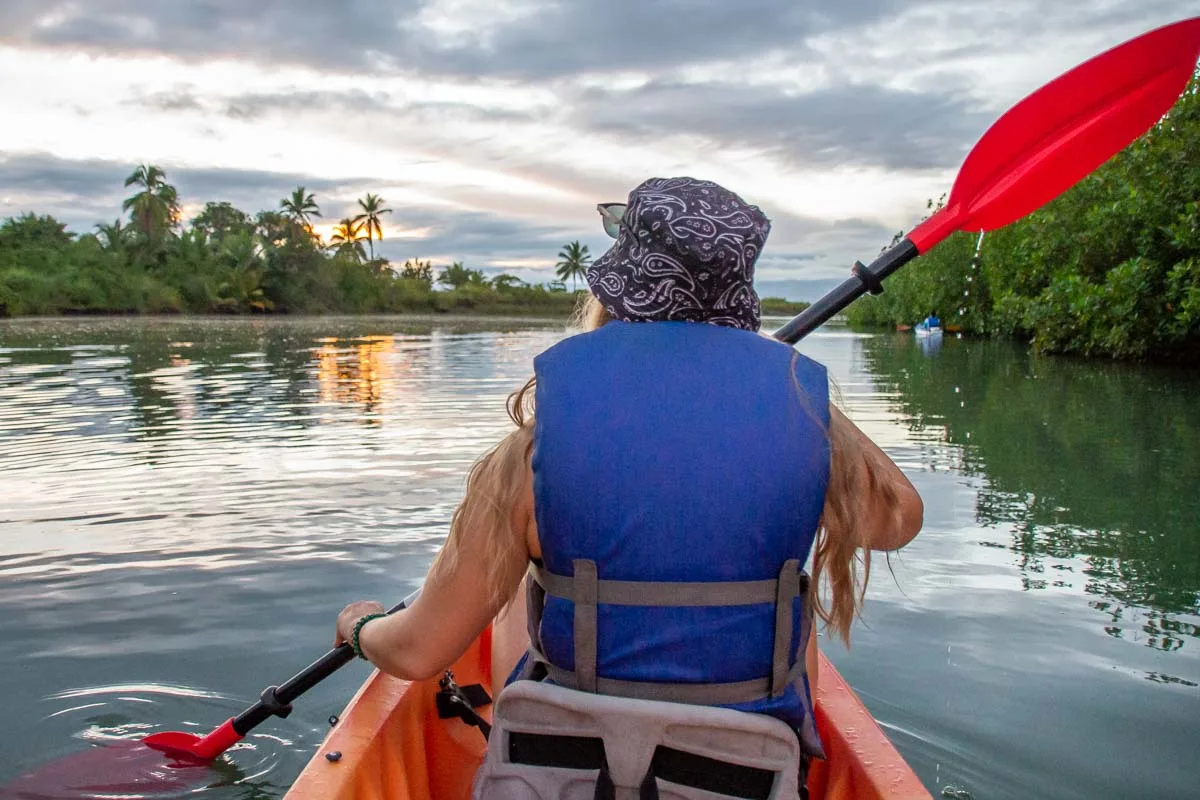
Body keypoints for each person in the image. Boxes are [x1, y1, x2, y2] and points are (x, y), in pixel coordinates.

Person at [334, 177, 923, 791]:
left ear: (615, 295)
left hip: (558, 775)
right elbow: (896, 520)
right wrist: (787, 390)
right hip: (742, 773)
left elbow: (420, 652)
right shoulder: (801, 424)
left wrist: (360, 626)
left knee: (519, 600)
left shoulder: (533, 454)